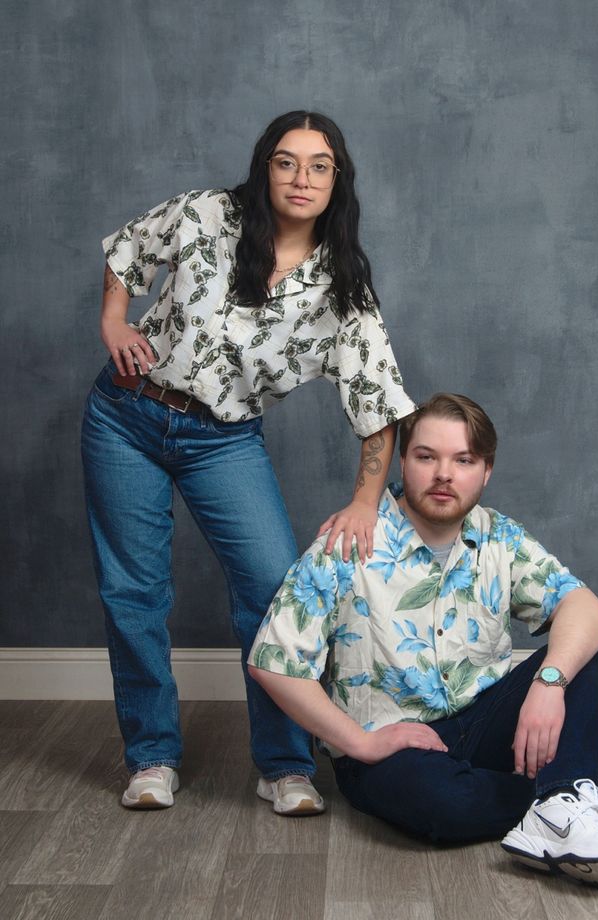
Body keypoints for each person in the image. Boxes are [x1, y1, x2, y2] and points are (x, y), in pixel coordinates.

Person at [81, 111, 416, 814]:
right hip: (126, 417)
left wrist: (364, 501)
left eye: (319, 165)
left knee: (271, 593)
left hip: (222, 441)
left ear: (336, 181)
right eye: (286, 161)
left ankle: (285, 765)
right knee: (133, 594)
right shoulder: (208, 214)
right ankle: (150, 757)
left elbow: (378, 399)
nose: (301, 177)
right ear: (265, 167)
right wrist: (115, 321)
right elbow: (128, 253)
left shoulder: (342, 287)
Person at [248, 393, 598, 889]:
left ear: (485, 471)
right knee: (443, 809)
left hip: (484, 724)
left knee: (578, 652)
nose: (444, 474)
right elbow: (272, 661)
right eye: (427, 457)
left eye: (463, 460)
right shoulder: (350, 542)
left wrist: (549, 683)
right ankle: (578, 785)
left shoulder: (500, 538)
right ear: (403, 461)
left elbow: (586, 609)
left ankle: (564, 804)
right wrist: (360, 742)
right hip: (392, 748)